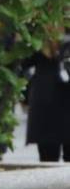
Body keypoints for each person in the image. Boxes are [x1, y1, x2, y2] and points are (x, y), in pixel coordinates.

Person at [26, 31, 70, 162]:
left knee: (47, 160)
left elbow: (23, 62)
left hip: (45, 95)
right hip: (51, 94)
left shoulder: (38, 30)